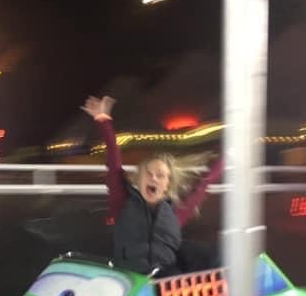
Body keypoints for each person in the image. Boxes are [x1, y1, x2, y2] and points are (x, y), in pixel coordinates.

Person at [81, 95, 223, 275]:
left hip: (166, 283)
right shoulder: (123, 202)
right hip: (131, 281)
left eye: (160, 176)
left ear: (167, 185)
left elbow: (203, 184)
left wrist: (230, 153)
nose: (153, 178)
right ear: (139, 180)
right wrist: (103, 120)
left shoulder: (176, 211)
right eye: (149, 173)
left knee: (208, 255)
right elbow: (114, 165)